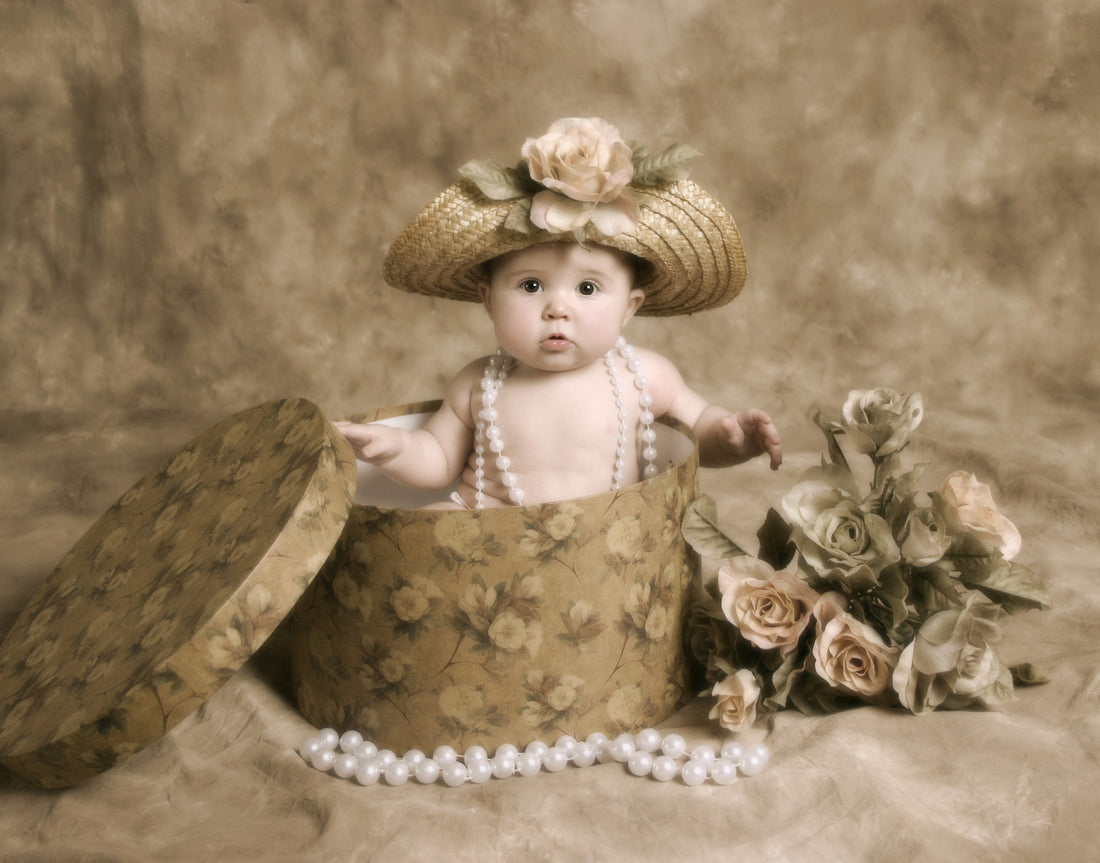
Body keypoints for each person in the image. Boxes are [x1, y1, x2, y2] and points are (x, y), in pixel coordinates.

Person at [336, 117, 782, 509]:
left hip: (598, 545)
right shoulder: (479, 382)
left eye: (587, 288)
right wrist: (394, 449)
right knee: (431, 527)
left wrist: (730, 438)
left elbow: (698, 433)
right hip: (486, 529)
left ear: (629, 309)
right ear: (489, 300)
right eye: (530, 286)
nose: (557, 309)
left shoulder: (646, 376)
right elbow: (436, 459)